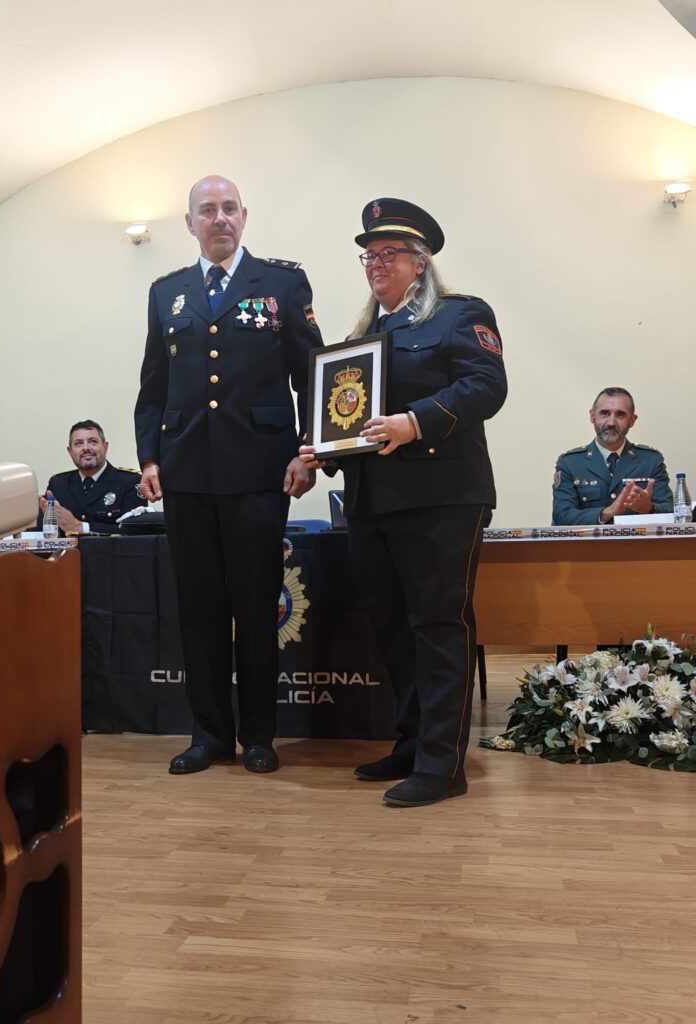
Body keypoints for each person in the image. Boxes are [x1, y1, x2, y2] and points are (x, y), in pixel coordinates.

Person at [301, 198, 507, 807]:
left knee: (439, 626)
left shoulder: (460, 314)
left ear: (420, 263)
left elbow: (486, 386)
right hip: (373, 503)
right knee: (392, 631)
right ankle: (414, 743)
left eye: (389, 253)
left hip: (442, 499)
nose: (376, 263)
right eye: (369, 255)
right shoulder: (361, 340)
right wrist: (324, 452)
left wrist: (414, 422)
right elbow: (354, 425)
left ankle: (443, 765)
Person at [135, 174, 322, 776]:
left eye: (229, 208)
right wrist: (149, 459)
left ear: (244, 216)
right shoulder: (167, 292)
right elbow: (153, 388)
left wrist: (308, 452)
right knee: (199, 610)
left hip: (260, 472)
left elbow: (312, 376)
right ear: (190, 223)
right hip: (186, 473)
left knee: (256, 605)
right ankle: (210, 734)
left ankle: (259, 735)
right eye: (207, 210)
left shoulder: (282, 284)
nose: (220, 218)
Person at [552, 388, 672, 525]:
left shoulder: (650, 461)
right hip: (589, 539)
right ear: (592, 416)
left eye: (620, 415)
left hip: (637, 539)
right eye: (604, 413)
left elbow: (671, 512)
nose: (611, 423)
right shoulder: (570, 463)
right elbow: (562, 515)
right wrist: (607, 513)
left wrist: (649, 509)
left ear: (632, 420)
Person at [38, 419, 145, 535]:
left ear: (105, 447)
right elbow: (40, 531)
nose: (86, 448)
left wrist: (81, 527)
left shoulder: (130, 482)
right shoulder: (58, 484)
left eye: (93, 442)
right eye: (78, 443)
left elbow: (135, 530)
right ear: (70, 451)